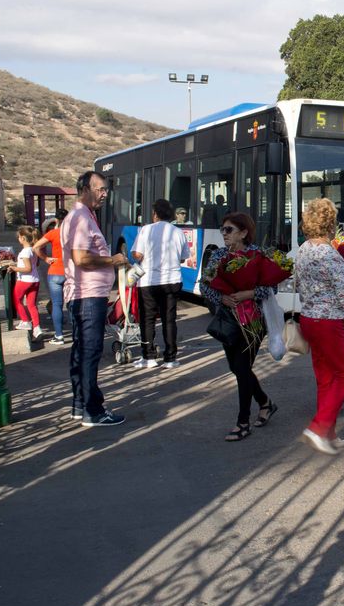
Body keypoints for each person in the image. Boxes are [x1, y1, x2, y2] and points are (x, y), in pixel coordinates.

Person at [295, 197, 344, 454]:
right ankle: (318, 428)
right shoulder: (329, 253)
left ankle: (328, 433)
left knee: (326, 379)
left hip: (308, 319)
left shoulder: (304, 248)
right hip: (328, 322)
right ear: (331, 223)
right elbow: (343, 293)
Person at [200, 212, 277, 441]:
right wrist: (221, 298)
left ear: (243, 233)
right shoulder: (218, 256)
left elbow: (271, 287)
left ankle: (243, 422)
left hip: (252, 321)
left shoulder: (257, 255)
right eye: (223, 229)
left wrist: (249, 293)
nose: (224, 234)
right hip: (229, 321)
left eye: (229, 230)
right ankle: (265, 403)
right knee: (236, 368)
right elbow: (205, 285)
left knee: (242, 369)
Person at [61, 171, 128, 427]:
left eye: (105, 189)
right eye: (100, 189)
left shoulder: (85, 216)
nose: (104, 194)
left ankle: (80, 404)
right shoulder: (79, 217)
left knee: (82, 351)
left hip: (87, 294)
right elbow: (81, 259)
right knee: (89, 352)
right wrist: (113, 260)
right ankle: (93, 410)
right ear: (85, 189)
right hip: (87, 295)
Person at [131, 198, 191, 369]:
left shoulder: (146, 230)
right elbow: (183, 256)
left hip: (148, 281)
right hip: (172, 281)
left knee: (147, 319)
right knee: (169, 319)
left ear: (155, 214)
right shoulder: (178, 232)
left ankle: (148, 357)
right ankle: (170, 358)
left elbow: (137, 255)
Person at [33, 208, 68, 342]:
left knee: (57, 304)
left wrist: (46, 258)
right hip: (70, 272)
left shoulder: (53, 233)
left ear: (57, 220)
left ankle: (59, 335)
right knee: (72, 304)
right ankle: (78, 335)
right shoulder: (73, 234)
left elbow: (36, 247)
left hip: (55, 272)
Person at [2, 225, 43, 341]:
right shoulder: (33, 250)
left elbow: (28, 268)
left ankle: (25, 321)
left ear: (23, 238)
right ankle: (37, 327)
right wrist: (16, 264)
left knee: (16, 299)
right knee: (32, 305)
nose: (18, 239)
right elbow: (35, 265)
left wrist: (14, 269)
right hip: (35, 280)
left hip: (25, 280)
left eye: (19, 237)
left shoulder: (25, 252)